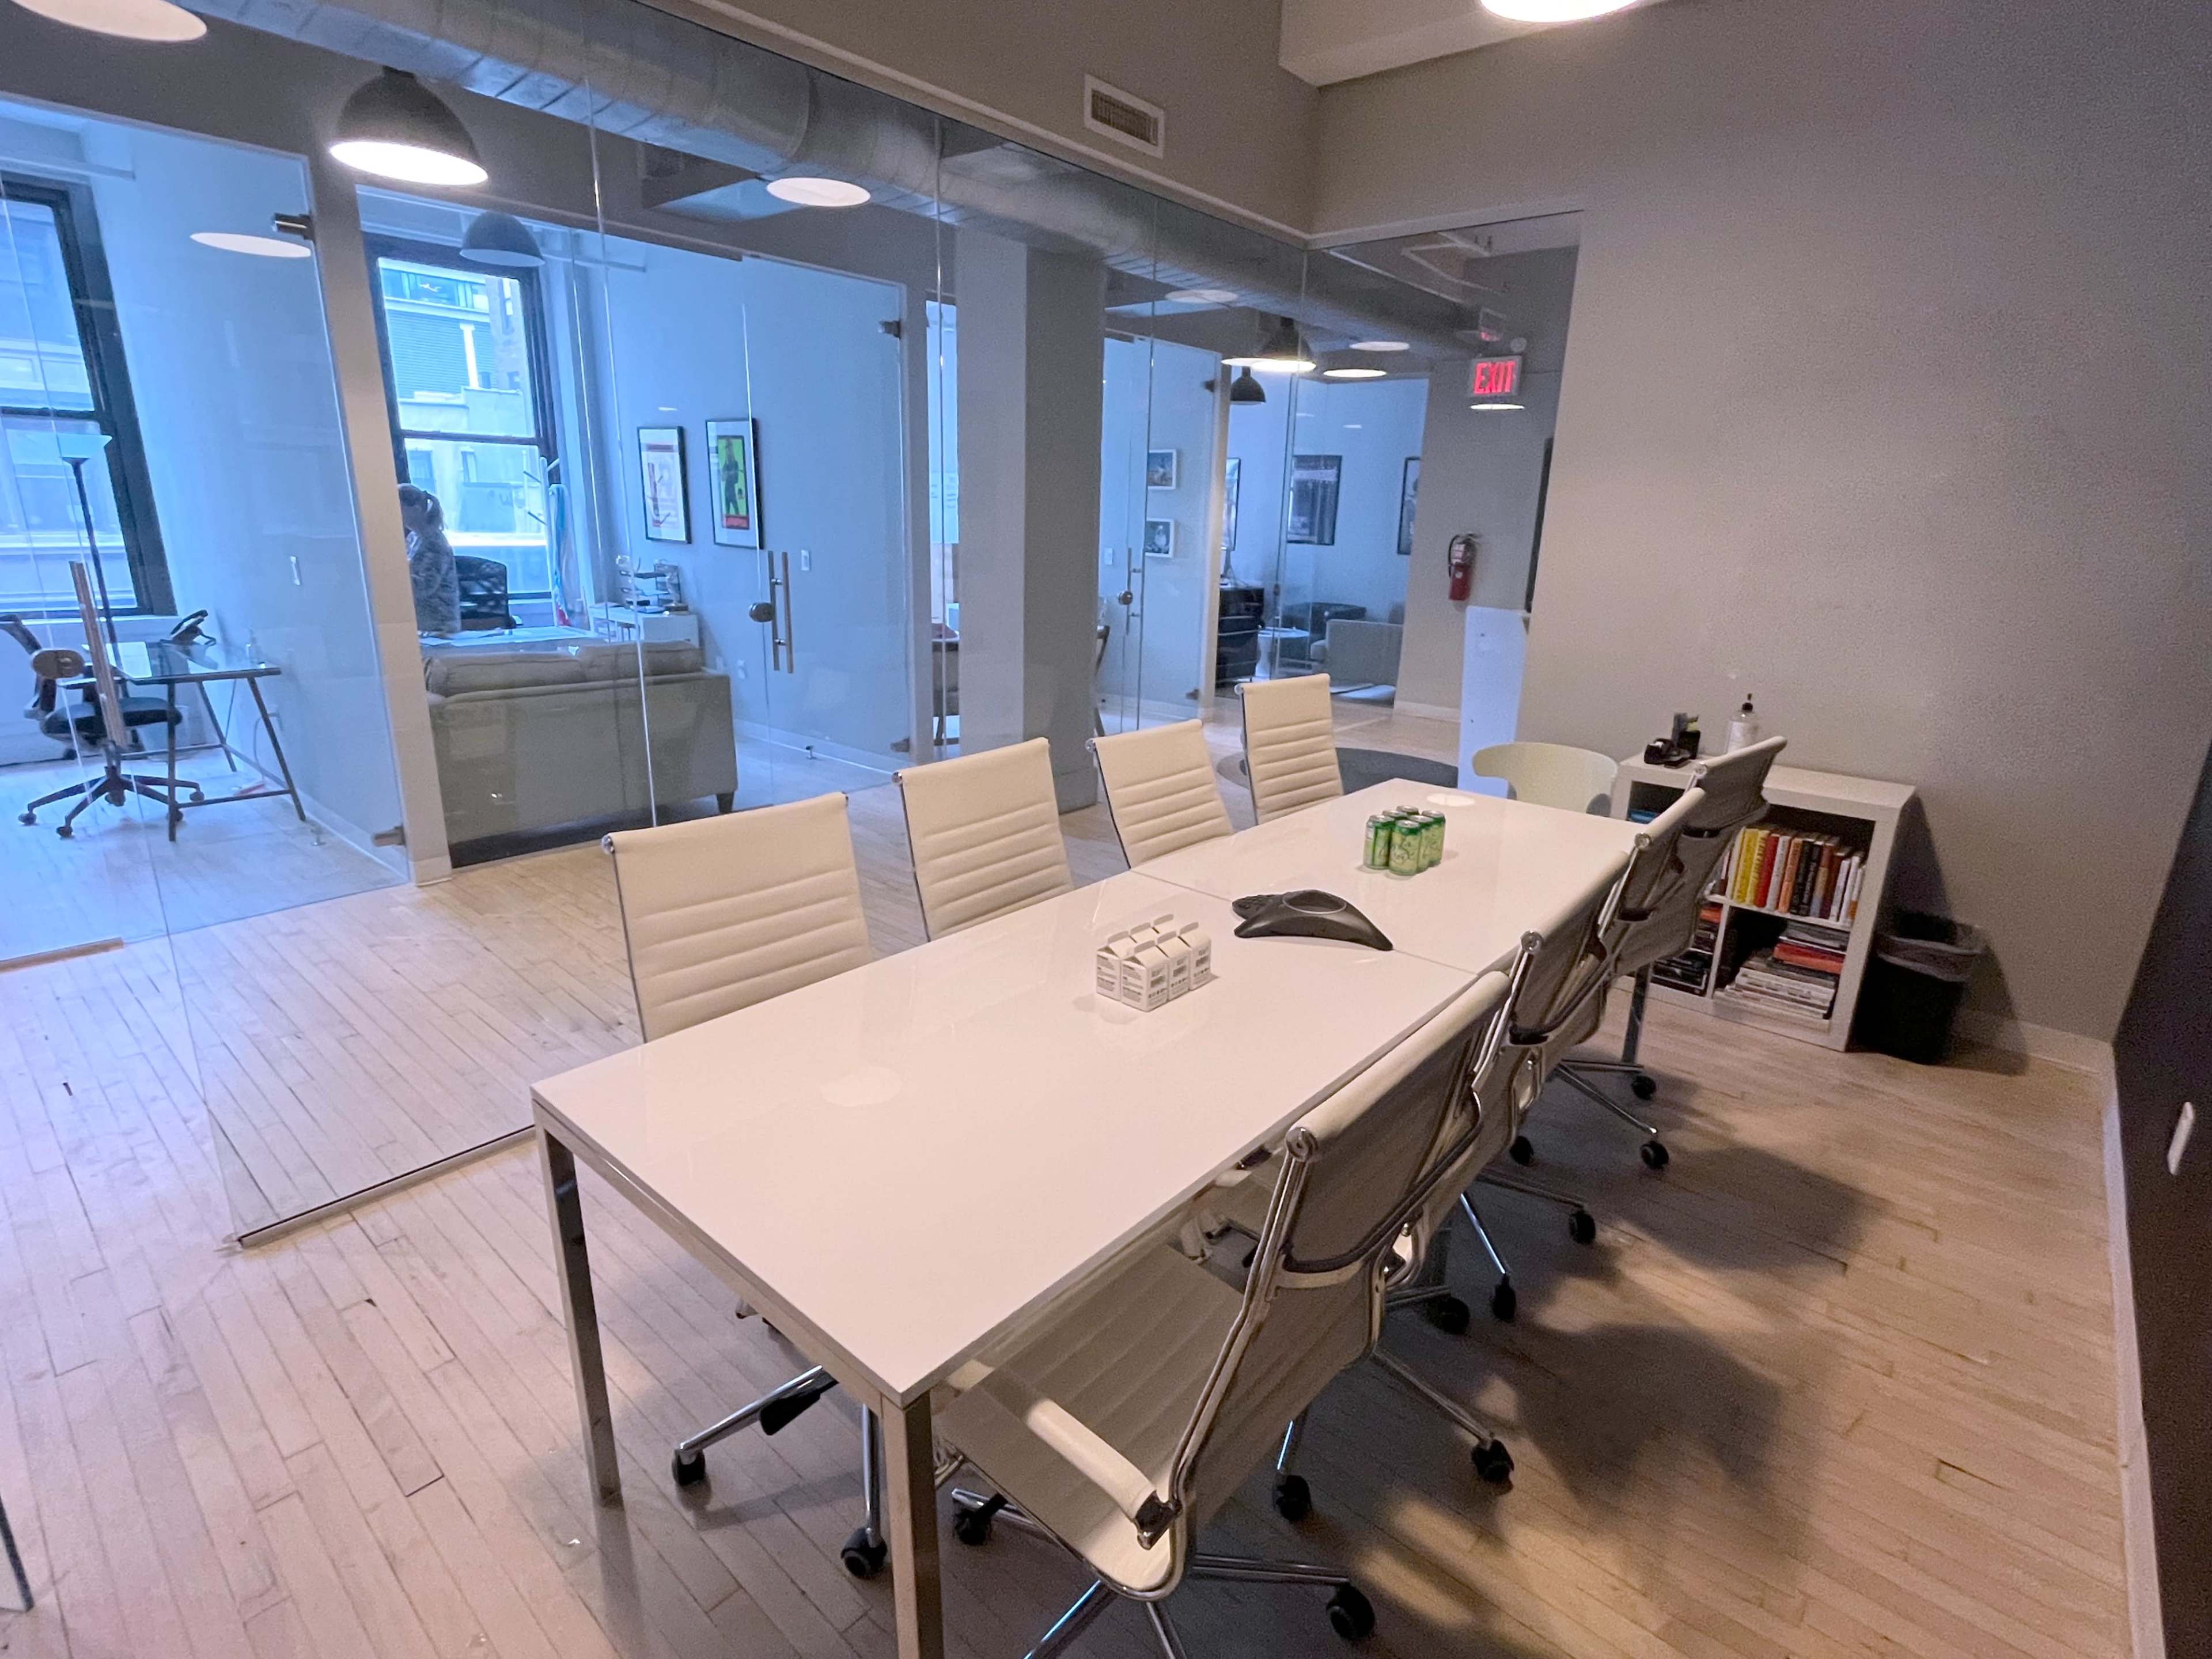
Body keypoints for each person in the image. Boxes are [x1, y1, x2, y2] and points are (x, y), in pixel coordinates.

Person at [400, 484, 462, 637]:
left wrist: (392, 577)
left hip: (438, 627)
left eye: (399, 508)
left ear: (415, 510)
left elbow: (425, 587)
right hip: (421, 624)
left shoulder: (434, 543)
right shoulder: (413, 537)